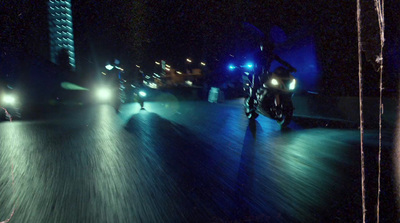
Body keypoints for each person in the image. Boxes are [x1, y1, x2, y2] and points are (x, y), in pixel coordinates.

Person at [246, 39, 296, 110]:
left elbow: (282, 61)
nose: (266, 48)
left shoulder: (271, 54)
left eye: (268, 47)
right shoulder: (258, 54)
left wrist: (290, 67)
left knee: (273, 85)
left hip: (266, 73)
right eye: (265, 46)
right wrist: (258, 68)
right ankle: (250, 103)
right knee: (255, 86)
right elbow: (255, 63)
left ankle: (269, 100)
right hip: (257, 73)